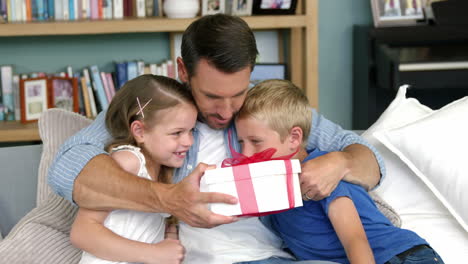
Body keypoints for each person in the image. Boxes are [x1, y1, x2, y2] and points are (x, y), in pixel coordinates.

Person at [48, 14, 385, 262]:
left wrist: (340, 161)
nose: (226, 111)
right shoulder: (157, 107)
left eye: (237, 94)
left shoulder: (268, 109)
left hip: (269, 255)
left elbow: (371, 161)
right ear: (183, 70)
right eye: (211, 96)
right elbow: (67, 167)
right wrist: (167, 198)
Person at [234, 79, 444, 264]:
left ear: (294, 138)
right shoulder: (275, 190)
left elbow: (355, 240)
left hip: (400, 257)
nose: (246, 152)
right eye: (241, 142)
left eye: (255, 142)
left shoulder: (322, 175)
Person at [70, 75, 196, 263]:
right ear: (140, 131)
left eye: (191, 131)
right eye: (177, 133)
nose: (189, 142)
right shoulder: (127, 161)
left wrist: (170, 240)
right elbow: (82, 233)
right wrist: (154, 254)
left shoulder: (163, 170)